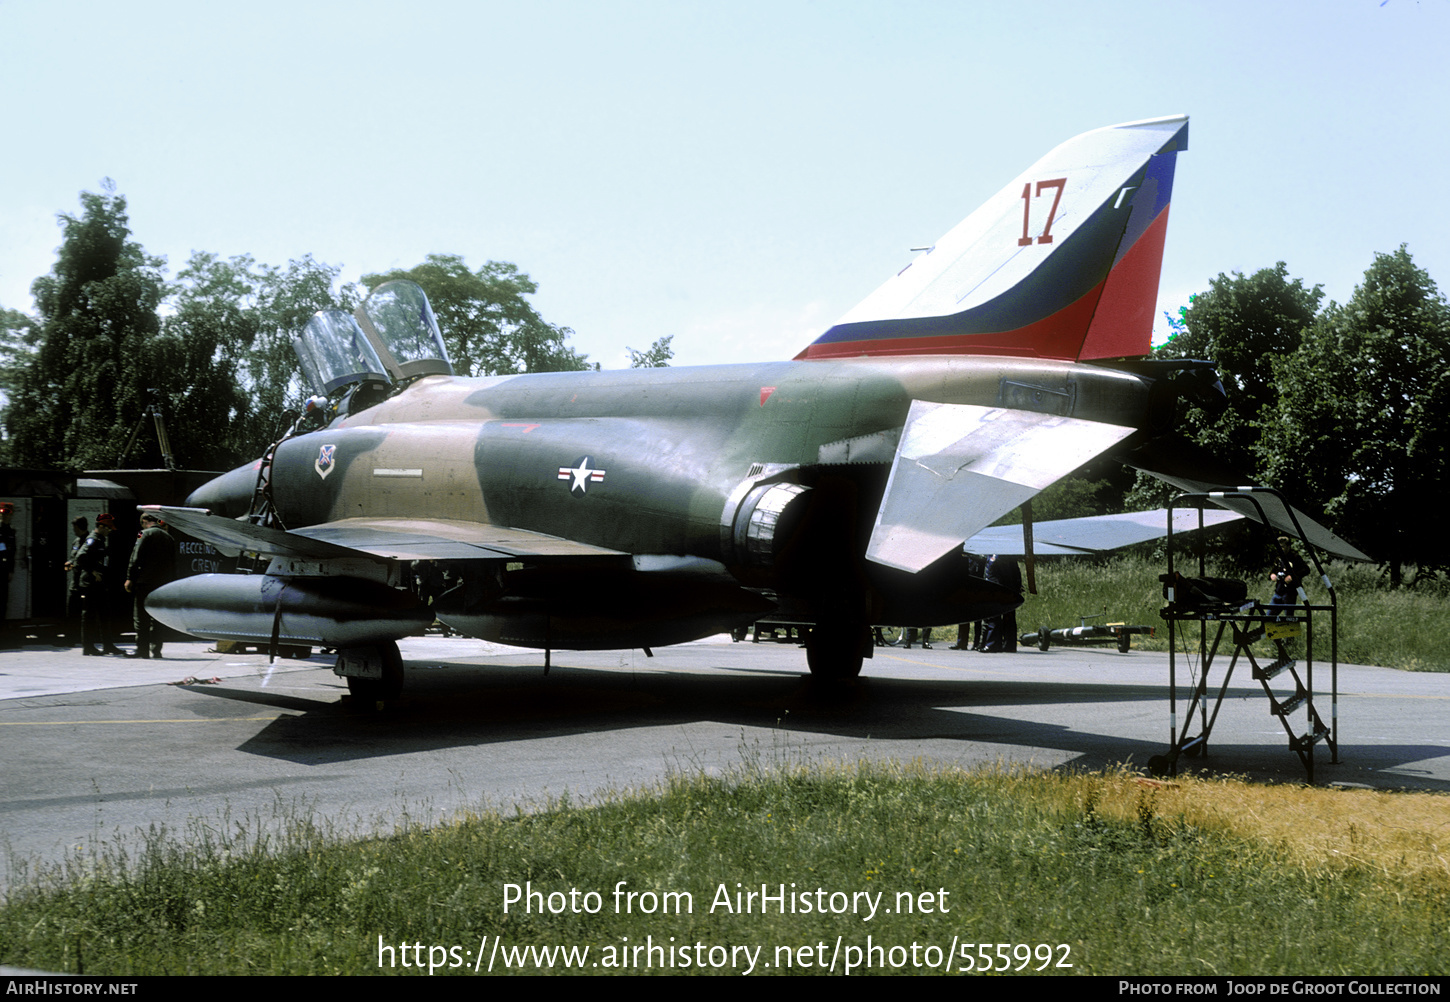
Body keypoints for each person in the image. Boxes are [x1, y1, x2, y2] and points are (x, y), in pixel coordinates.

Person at [126, 512, 177, 658]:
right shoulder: (169, 537)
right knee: (158, 618)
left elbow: (135, 558)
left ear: (144, 521)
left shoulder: (143, 534)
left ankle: (142, 650)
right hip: (162, 585)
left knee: (141, 618)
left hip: (145, 583)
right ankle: (156, 650)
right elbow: (174, 564)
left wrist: (130, 578)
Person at [74, 512, 123, 656]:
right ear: (101, 527)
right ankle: (88, 647)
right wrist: (92, 571)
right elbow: (80, 557)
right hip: (91, 584)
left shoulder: (100, 540)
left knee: (104, 614)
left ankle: (108, 645)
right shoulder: (92, 539)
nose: (109, 531)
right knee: (89, 616)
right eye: (107, 528)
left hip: (99, 584)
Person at [979, 554, 1023, 653]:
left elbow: (991, 575)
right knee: (1009, 617)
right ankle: (1009, 645)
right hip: (1010, 589)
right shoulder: (1009, 555)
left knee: (994, 616)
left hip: (997, 589)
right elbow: (1016, 572)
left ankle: (992, 644)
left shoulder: (995, 556)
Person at [1268, 536, 1310, 619]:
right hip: (1278, 592)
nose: (1280, 549)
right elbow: (1272, 572)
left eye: (1282, 547)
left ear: (1288, 546)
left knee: (1288, 618)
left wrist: (1293, 576)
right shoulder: (1279, 559)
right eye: (1279, 547)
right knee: (1268, 617)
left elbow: (1306, 570)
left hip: (1290, 593)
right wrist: (1272, 575)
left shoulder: (1295, 558)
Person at [65, 516, 89, 644]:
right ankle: (71, 638)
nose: (73, 530)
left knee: (84, 613)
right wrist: (69, 562)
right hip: (75, 582)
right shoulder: (76, 541)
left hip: (84, 582)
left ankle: (84, 638)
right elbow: (74, 557)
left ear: (80, 527)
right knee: (72, 610)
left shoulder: (89, 541)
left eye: (75, 528)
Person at [0, 502, 16, 645]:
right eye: (2, 514)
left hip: (4, 572)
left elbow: (12, 553)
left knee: (3, 602)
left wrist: (11, 570)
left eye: (7, 514)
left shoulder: (11, 532)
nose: (4, 516)